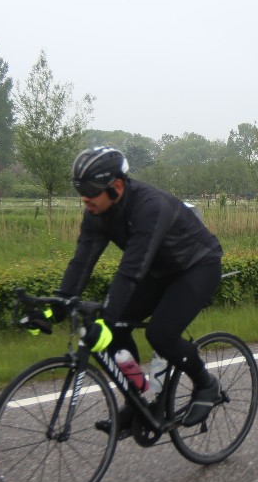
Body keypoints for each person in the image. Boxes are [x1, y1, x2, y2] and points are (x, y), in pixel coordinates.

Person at [50, 146, 225, 436]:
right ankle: (137, 401)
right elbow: (82, 261)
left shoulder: (149, 207)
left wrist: (106, 320)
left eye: (91, 190)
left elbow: (131, 270)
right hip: (159, 271)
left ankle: (206, 384)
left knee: (160, 333)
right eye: (80, 190)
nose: (85, 198)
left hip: (197, 267)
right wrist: (59, 303)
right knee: (116, 330)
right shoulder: (96, 212)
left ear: (117, 187)